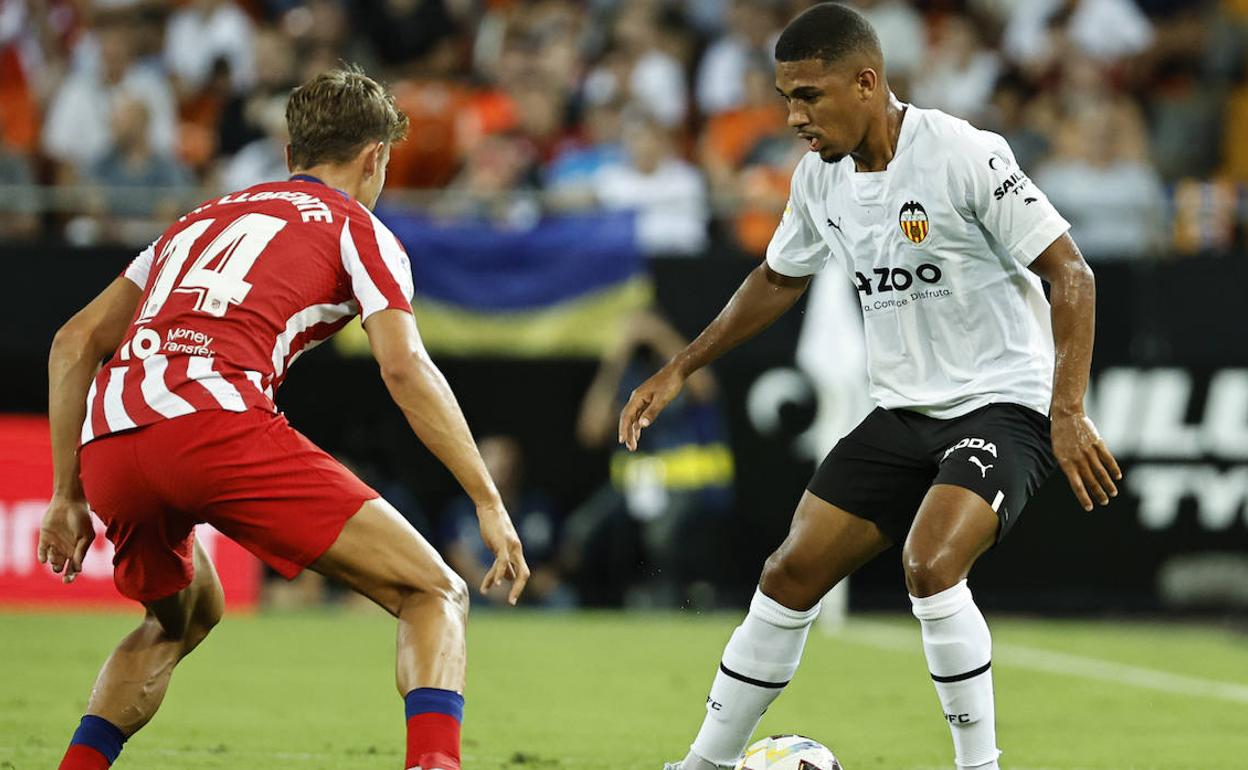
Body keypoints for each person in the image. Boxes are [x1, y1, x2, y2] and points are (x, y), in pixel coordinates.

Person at [618, 5, 1121, 770]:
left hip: (1001, 404)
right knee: (789, 574)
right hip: (904, 410)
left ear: (866, 81)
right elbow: (777, 279)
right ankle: (703, 764)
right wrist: (682, 364)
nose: (794, 116)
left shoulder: (961, 152)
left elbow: (1071, 274)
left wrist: (1067, 410)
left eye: (809, 96)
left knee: (930, 565)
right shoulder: (820, 179)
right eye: (786, 96)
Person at [37, 66, 528, 770]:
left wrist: (65, 493)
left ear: (292, 155)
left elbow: (73, 342)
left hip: (111, 442)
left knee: (181, 615)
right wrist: (486, 497)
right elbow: (403, 367)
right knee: (433, 590)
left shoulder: (197, 220)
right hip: (216, 427)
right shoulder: (359, 227)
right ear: (374, 159)